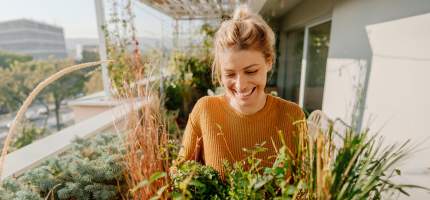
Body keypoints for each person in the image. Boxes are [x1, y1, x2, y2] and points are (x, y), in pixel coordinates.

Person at [177, 5, 307, 176]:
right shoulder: (205, 110)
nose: (241, 85)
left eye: (251, 71)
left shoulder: (293, 116)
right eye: (230, 74)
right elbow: (178, 174)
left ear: (269, 61)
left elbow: (306, 185)